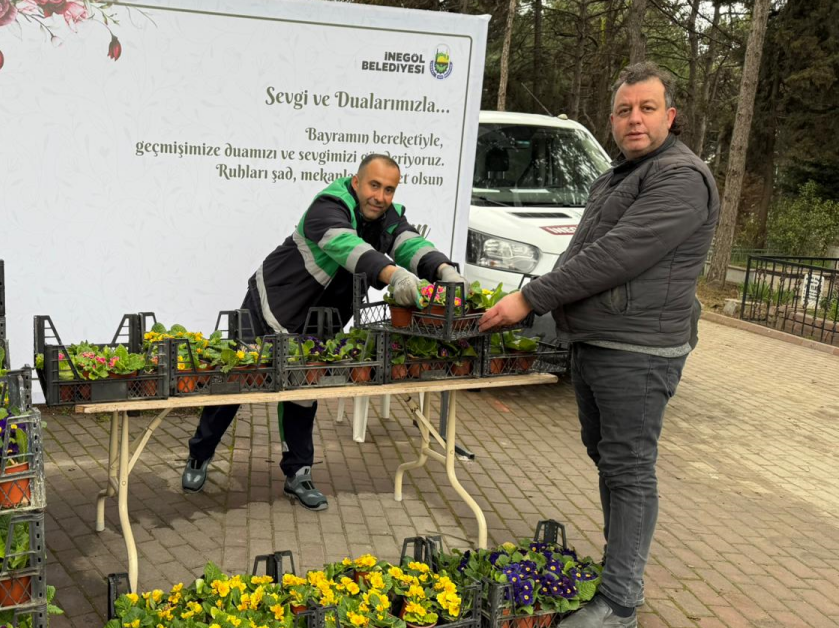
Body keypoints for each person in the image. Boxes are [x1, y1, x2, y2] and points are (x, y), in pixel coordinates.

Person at [479, 62, 719, 628]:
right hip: (597, 342)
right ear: (612, 120)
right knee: (610, 463)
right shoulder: (616, 176)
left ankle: (619, 603)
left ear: (671, 115)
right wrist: (533, 300)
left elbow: (618, 256)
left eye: (647, 108)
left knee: (630, 470)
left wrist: (530, 299)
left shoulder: (681, 178)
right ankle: (618, 573)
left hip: (639, 352)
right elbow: (579, 254)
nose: (634, 119)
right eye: (623, 110)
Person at [181, 153, 464, 510]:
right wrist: (396, 276)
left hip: (319, 320)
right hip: (273, 301)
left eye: (389, 189)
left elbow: (408, 242)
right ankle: (199, 454)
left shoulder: (385, 216)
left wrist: (442, 269)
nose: (380, 196)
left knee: (303, 389)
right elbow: (348, 247)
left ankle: (297, 473)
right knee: (235, 379)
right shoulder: (328, 207)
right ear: (357, 182)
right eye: (374, 185)